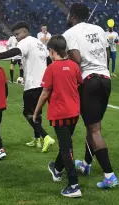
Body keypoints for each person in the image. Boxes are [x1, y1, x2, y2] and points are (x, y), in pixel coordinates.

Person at [63, 3, 119, 189]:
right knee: (93, 126)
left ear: (72, 16)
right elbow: (108, 53)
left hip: (89, 80)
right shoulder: (99, 29)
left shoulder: (70, 33)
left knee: (94, 130)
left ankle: (110, 176)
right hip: (105, 79)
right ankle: (86, 165)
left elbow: (77, 58)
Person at [0, 21, 55, 152]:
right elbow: (49, 62)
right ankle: (37, 140)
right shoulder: (40, 44)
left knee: (27, 112)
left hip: (32, 84)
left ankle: (46, 137)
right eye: (15, 35)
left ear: (25, 32)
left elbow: (15, 51)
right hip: (43, 84)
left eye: (17, 34)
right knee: (37, 112)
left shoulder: (25, 41)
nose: (16, 37)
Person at [32, 35, 83, 198]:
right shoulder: (74, 66)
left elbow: (45, 92)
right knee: (66, 143)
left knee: (66, 148)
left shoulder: (51, 69)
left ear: (52, 51)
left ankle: (74, 185)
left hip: (59, 114)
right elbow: (79, 83)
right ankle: (57, 168)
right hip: (74, 113)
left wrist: (36, 112)